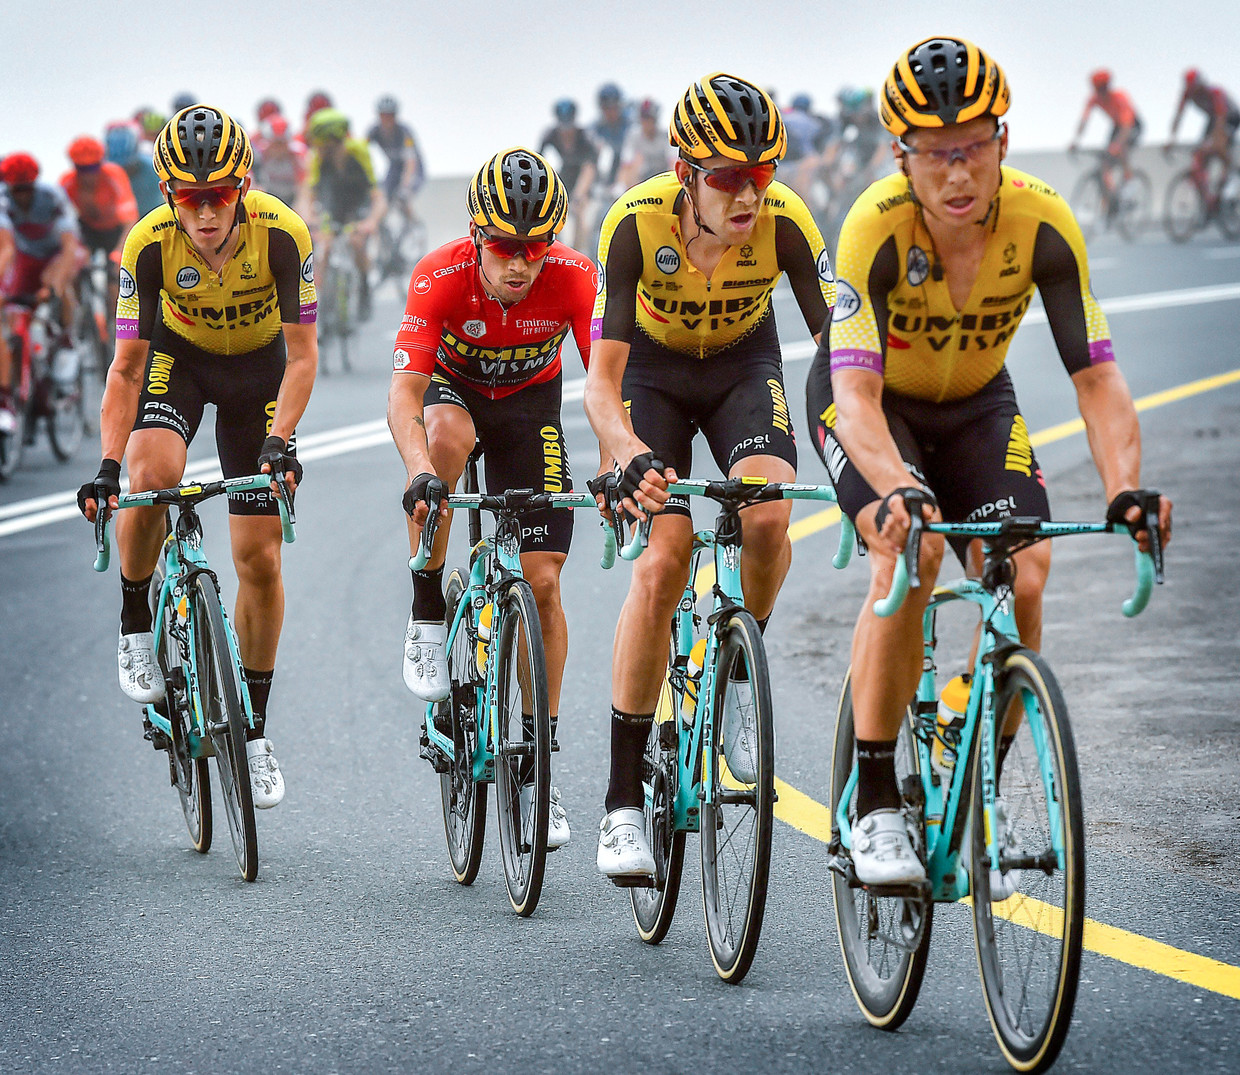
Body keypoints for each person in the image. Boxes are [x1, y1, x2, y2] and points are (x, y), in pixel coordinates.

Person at [805, 37, 1172, 885]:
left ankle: (979, 787)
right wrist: (896, 489)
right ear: (901, 156)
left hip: (976, 402)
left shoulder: (1044, 222)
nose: (958, 171)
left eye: (974, 145)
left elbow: (1097, 376)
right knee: (911, 553)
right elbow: (854, 396)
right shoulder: (873, 226)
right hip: (874, 401)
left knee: (1026, 572)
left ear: (1003, 140)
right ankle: (873, 803)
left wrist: (1124, 489)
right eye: (935, 153)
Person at [585, 72, 835, 880]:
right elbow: (600, 383)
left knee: (768, 517)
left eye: (761, 173)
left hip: (741, 366)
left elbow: (845, 354)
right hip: (651, 374)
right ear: (685, 173)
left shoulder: (787, 220)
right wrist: (625, 452)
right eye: (728, 177)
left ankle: (734, 669)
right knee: (662, 562)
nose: (749, 195)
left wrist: (863, 449)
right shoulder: (632, 224)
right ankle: (622, 802)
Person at [75, 105, 318, 810]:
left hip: (259, 375)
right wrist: (108, 466)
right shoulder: (148, 244)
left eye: (219, 195)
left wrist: (281, 440)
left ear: (243, 187)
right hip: (177, 364)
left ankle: (254, 732)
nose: (206, 213)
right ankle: (134, 619)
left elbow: (303, 356)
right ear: (167, 195)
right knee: (154, 475)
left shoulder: (283, 234)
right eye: (190, 198)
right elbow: (126, 368)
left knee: (259, 558)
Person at [388, 148, 598, 848]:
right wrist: (419, 471)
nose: (520, 263)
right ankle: (427, 610)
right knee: (444, 440)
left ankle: (539, 767)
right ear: (477, 235)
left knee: (543, 583)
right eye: (505, 247)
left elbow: (608, 384)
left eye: (535, 248)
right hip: (453, 394)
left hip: (531, 407)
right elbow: (404, 395)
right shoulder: (439, 276)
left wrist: (619, 458)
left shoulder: (574, 277)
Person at [296, 107, 384, 320]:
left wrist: (372, 221)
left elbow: (377, 195)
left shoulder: (359, 152)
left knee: (356, 242)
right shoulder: (318, 158)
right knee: (325, 248)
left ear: (331, 141)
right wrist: (308, 217)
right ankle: (323, 301)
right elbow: (308, 192)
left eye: (318, 143)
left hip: (358, 204)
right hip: (334, 205)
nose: (315, 148)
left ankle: (364, 288)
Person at [0, 152, 82, 345]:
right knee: (14, 299)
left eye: (27, 189)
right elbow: (7, 249)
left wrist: (54, 285)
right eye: (17, 190)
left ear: (35, 183)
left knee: (52, 283)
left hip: (58, 252)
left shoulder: (52, 195)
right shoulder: (3, 200)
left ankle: (68, 338)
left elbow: (69, 246)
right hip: (28, 255)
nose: (23, 195)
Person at [60, 136, 139, 319]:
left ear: (101, 163)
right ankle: (80, 313)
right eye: (82, 169)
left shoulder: (114, 175)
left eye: (93, 168)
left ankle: (114, 320)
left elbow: (130, 220)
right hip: (88, 231)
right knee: (74, 268)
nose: (88, 174)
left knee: (115, 277)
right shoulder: (67, 182)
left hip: (116, 231)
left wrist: (119, 252)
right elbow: (64, 224)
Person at [1169, 69, 1240, 199]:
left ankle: (1231, 172)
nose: (1194, 92)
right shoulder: (1187, 95)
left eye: (1195, 88)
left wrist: (1217, 140)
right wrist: (1172, 139)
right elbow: (1178, 116)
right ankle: (1208, 191)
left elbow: (1221, 119)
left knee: (1217, 145)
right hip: (1213, 118)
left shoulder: (1215, 93)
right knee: (1202, 151)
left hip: (1230, 116)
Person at [538, 99, 598, 253]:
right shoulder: (550, 135)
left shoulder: (585, 136)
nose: (566, 133)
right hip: (565, 175)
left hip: (584, 177)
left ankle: (580, 250)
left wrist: (579, 194)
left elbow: (590, 168)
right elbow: (539, 163)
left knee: (580, 210)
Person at [1070, 69, 1142, 192]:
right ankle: (1109, 194)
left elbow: (1127, 126)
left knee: (1120, 149)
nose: (1100, 93)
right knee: (1105, 161)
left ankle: (1129, 179)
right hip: (1117, 126)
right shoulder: (1094, 99)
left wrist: (1117, 145)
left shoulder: (1120, 97)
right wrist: (1075, 140)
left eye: (1102, 89)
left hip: (1132, 125)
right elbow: (1084, 121)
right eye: (1098, 89)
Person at [367, 95, 425, 220]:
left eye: (390, 115)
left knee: (403, 197)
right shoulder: (374, 131)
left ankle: (414, 223)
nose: (387, 120)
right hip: (394, 168)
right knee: (382, 196)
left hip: (413, 169)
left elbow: (411, 161)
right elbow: (362, 150)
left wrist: (405, 186)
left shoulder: (404, 132)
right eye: (383, 115)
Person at [106, 122, 163, 217]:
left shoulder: (154, 171)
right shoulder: (106, 173)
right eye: (118, 169)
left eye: (127, 167)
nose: (124, 173)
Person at [616, 98, 675, 189]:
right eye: (643, 118)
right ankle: (629, 192)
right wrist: (621, 184)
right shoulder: (634, 135)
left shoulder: (665, 135)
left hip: (662, 176)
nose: (646, 122)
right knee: (636, 160)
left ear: (655, 119)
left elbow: (672, 160)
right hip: (641, 177)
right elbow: (626, 162)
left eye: (649, 118)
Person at [251, 114, 305, 208]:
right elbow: (254, 184)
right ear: (269, 141)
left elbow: (304, 186)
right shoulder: (260, 154)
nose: (279, 149)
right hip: (268, 199)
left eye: (282, 143)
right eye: (276, 143)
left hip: (291, 199)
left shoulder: (297, 155)